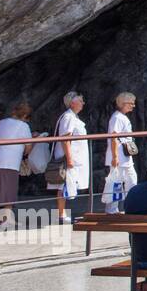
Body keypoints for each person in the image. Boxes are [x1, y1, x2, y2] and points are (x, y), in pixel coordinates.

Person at [0, 102, 33, 228]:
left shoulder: (1, 122)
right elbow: (28, 148)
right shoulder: (23, 126)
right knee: (7, 191)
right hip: (8, 163)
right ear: (25, 115)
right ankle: (6, 219)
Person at [53, 91, 91, 225]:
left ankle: (63, 214)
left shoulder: (73, 117)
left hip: (76, 157)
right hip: (69, 158)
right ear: (72, 102)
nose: (83, 103)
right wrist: (69, 159)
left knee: (68, 185)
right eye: (80, 101)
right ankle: (61, 215)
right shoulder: (68, 117)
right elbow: (65, 138)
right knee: (63, 184)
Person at [103, 92, 139, 214]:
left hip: (126, 157)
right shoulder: (117, 118)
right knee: (116, 183)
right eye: (131, 103)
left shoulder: (123, 117)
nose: (133, 106)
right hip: (119, 156)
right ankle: (112, 209)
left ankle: (130, 206)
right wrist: (115, 156)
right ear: (123, 103)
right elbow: (114, 137)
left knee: (131, 181)